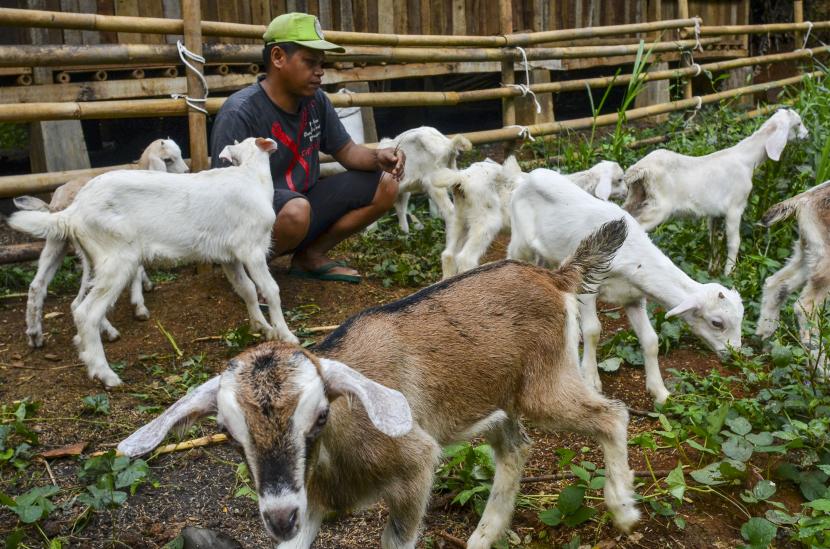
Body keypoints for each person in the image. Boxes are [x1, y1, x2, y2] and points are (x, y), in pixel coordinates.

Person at [209, 12, 405, 283]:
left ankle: (310, 256)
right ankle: (245, 270)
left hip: (302, 203)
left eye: (321, 63)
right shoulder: (240, 112)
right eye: (310, 62)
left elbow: (347, 151)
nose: (320, 71)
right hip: (255, 217)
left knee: (387, 185)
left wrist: (378, 157)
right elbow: (223, 195)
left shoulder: (316, 102)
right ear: (278, 58)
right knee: (296, 210)